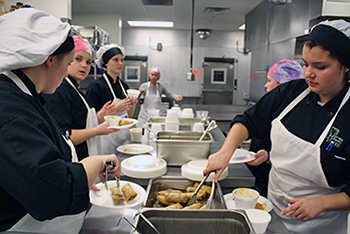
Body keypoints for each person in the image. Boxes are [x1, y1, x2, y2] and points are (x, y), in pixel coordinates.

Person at [204, 19, 350, 234]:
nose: (309, 73)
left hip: (321, 220)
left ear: (346, 66)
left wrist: (322, 203)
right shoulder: (291, 92)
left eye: (320, 67)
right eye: (306, 64)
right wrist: (225, 152)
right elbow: (249, 120)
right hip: (271, 208)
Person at [0, 8, 120, 233]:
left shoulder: (26, 96)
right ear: (49, 60)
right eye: (67, 64)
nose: (66, 73)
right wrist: (95, 163)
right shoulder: (9, 109)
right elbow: (52, 192)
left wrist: (82, 175)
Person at [43, 35, 118, 161]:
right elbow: (64, 136)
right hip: (73, 159)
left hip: (85, 154)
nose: (84, 65)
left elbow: (78, 122)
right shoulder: (60, 91)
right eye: (78, 59)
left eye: (88, 62)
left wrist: (98, 117)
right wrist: (96, 131)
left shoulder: (75, 89)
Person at [249, 59, 304, 197]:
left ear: (283, 85)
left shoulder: (297, 115)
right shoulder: (270, 107)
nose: (266, 85)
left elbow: (296, 157)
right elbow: (247, 120)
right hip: (260, 171)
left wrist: (269, 158)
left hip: (275, 181)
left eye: (269, 80)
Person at [86, 44, 138, 154]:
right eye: (115, 60)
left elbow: (130, 116)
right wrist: (116, 108)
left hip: (123, 138)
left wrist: (132, 104)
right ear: (106, 63)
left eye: (122, 60)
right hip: (105, 140)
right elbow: (90, 119)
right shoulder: (96, 86)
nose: (120, 63)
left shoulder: (124, 86)